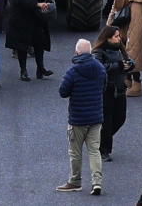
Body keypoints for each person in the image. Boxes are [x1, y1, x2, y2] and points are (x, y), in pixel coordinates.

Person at [57, 39, 107, 195]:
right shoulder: (100, 69)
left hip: (78, 119)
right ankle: (96, 182)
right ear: (90, 52)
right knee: (94, 151)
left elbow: (63, 92)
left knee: (75, 152)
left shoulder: (73, 72)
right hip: (96, 117)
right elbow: (103, 88)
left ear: (77, 52)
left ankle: (75, 181)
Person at [7, 0, 54, 80]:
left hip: (37, 17)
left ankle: (40, 68)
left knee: (40, 42)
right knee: (22, 44)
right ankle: (23, 70)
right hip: (22, 17)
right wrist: (37, 4)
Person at [92, 26, 132, 161]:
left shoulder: (120, 49)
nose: (119, 38)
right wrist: (119, 65)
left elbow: (128, 61)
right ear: (108, 38)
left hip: (120, 88)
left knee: (120, 119)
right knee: (106, 121)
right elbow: (98, 68)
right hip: (106, 90)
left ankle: (100, 140)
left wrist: (130, 65)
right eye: (116, 36)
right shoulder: (99, 51)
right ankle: (104, 150)